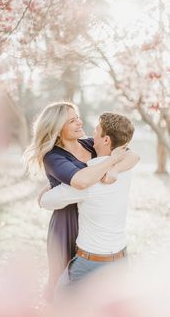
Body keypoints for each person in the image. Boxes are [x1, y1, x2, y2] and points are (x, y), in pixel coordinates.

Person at [23, 103, 139, 300]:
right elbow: (81, 181)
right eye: (72, 120)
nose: (80, 122)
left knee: (90, 290)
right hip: (68, 222)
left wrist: (115, 169)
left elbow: (132, 154)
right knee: (64, 283)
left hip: (95, 221)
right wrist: (111, 163)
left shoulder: (88, 143)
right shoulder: (53, 156)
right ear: (57, 128)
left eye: (77, 117)